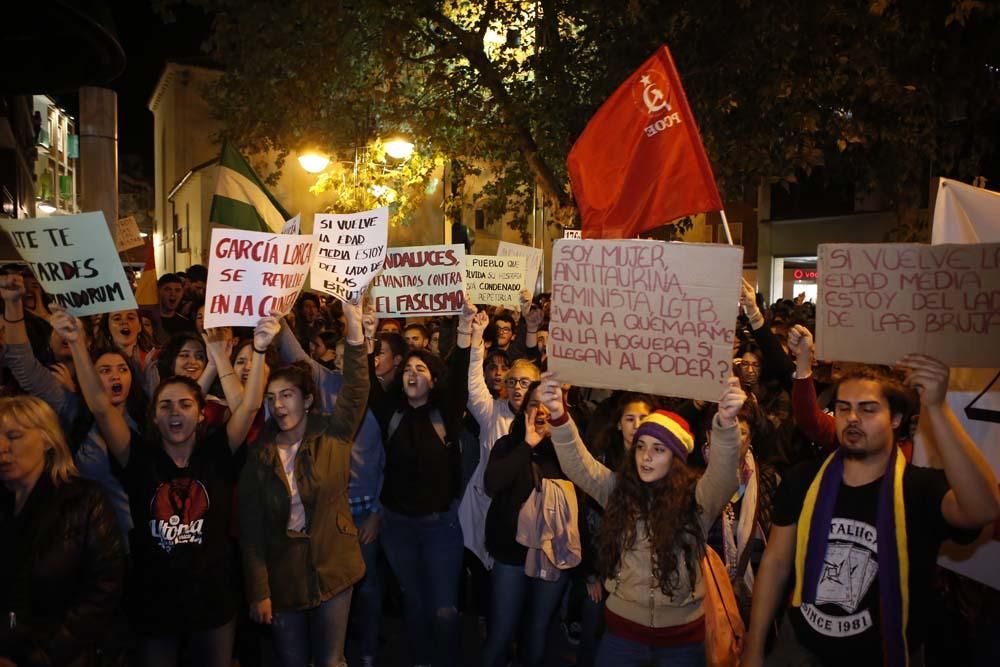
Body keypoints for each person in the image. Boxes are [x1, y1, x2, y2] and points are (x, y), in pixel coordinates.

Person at [743, 359, 1000, 667]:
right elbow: (776, 563)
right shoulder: (804, 479)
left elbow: (984, 508)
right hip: (798, 648)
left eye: (868, 409)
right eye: (843, 408)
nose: (852, 418)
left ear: (896, 418)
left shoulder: (919, 489)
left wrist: (937, 409)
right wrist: (754, 648)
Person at [104, 317, 277, 667]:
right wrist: (77, 344)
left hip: (213, 604)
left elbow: (249, 407)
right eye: (165, 405)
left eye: (185, 404)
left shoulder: (217, 455)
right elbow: (98, 407)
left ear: (201, 415)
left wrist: (258, 350)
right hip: (154, 605)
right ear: (153, 417)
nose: (175, 412)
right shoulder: (139, 460)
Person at [542, 374, 746, 666]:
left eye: (658, 449)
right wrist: (559, 415)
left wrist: (726, 425)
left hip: (682, 641)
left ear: (675, 457)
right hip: (623, 635)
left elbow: (724, 478)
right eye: (641, 446)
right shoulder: (618, 491)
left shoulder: (696, 501)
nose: (646, 456)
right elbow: (579, 466)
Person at [239, 299, 370, 667]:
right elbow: (251, 531)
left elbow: (357, 390)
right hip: (284, 578)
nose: (278, 406)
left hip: (334, 565)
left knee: (331, 661)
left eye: (287, 396)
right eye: (271, 398)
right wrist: (259, 591)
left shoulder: (333, 434)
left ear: (308, 400)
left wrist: (355, 330)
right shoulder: (259, 454)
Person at [0, 396, 126, 667]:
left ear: (47, 440)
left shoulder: (85, 500)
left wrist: (39, 657)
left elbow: (103, 591)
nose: (1, 447)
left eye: (14, 435)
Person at [368, 347, 464, 667]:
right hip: (398, 528)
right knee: (415, 601)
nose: (412, 373)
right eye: (408, 368)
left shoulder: (445, 415)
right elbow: (366, 383)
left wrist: (465, 336)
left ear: (434, 381)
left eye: (421, 369)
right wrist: (365, 343)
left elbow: (461, 378)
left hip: (440, 526)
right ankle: (422, 660)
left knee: (445, 609)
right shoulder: (391, 412)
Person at [480, 381, 580, 667]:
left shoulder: (570, 451)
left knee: (537, 633)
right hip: (511, 556)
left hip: (553, 556)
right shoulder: (508, 445)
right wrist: (527, 445)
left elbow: (580, 505)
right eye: (535, 403)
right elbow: (492, 483)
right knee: (501, 632)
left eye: (550, 403)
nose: (542, 410)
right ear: (525, 409)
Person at [459, 305, 540, 570]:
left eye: (525, 383)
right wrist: (477, 338)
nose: (517, 387)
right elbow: (473, 386)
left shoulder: (546, 422)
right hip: (489, 509)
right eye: (513, 381)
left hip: (531, 516)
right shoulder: (492, 413)